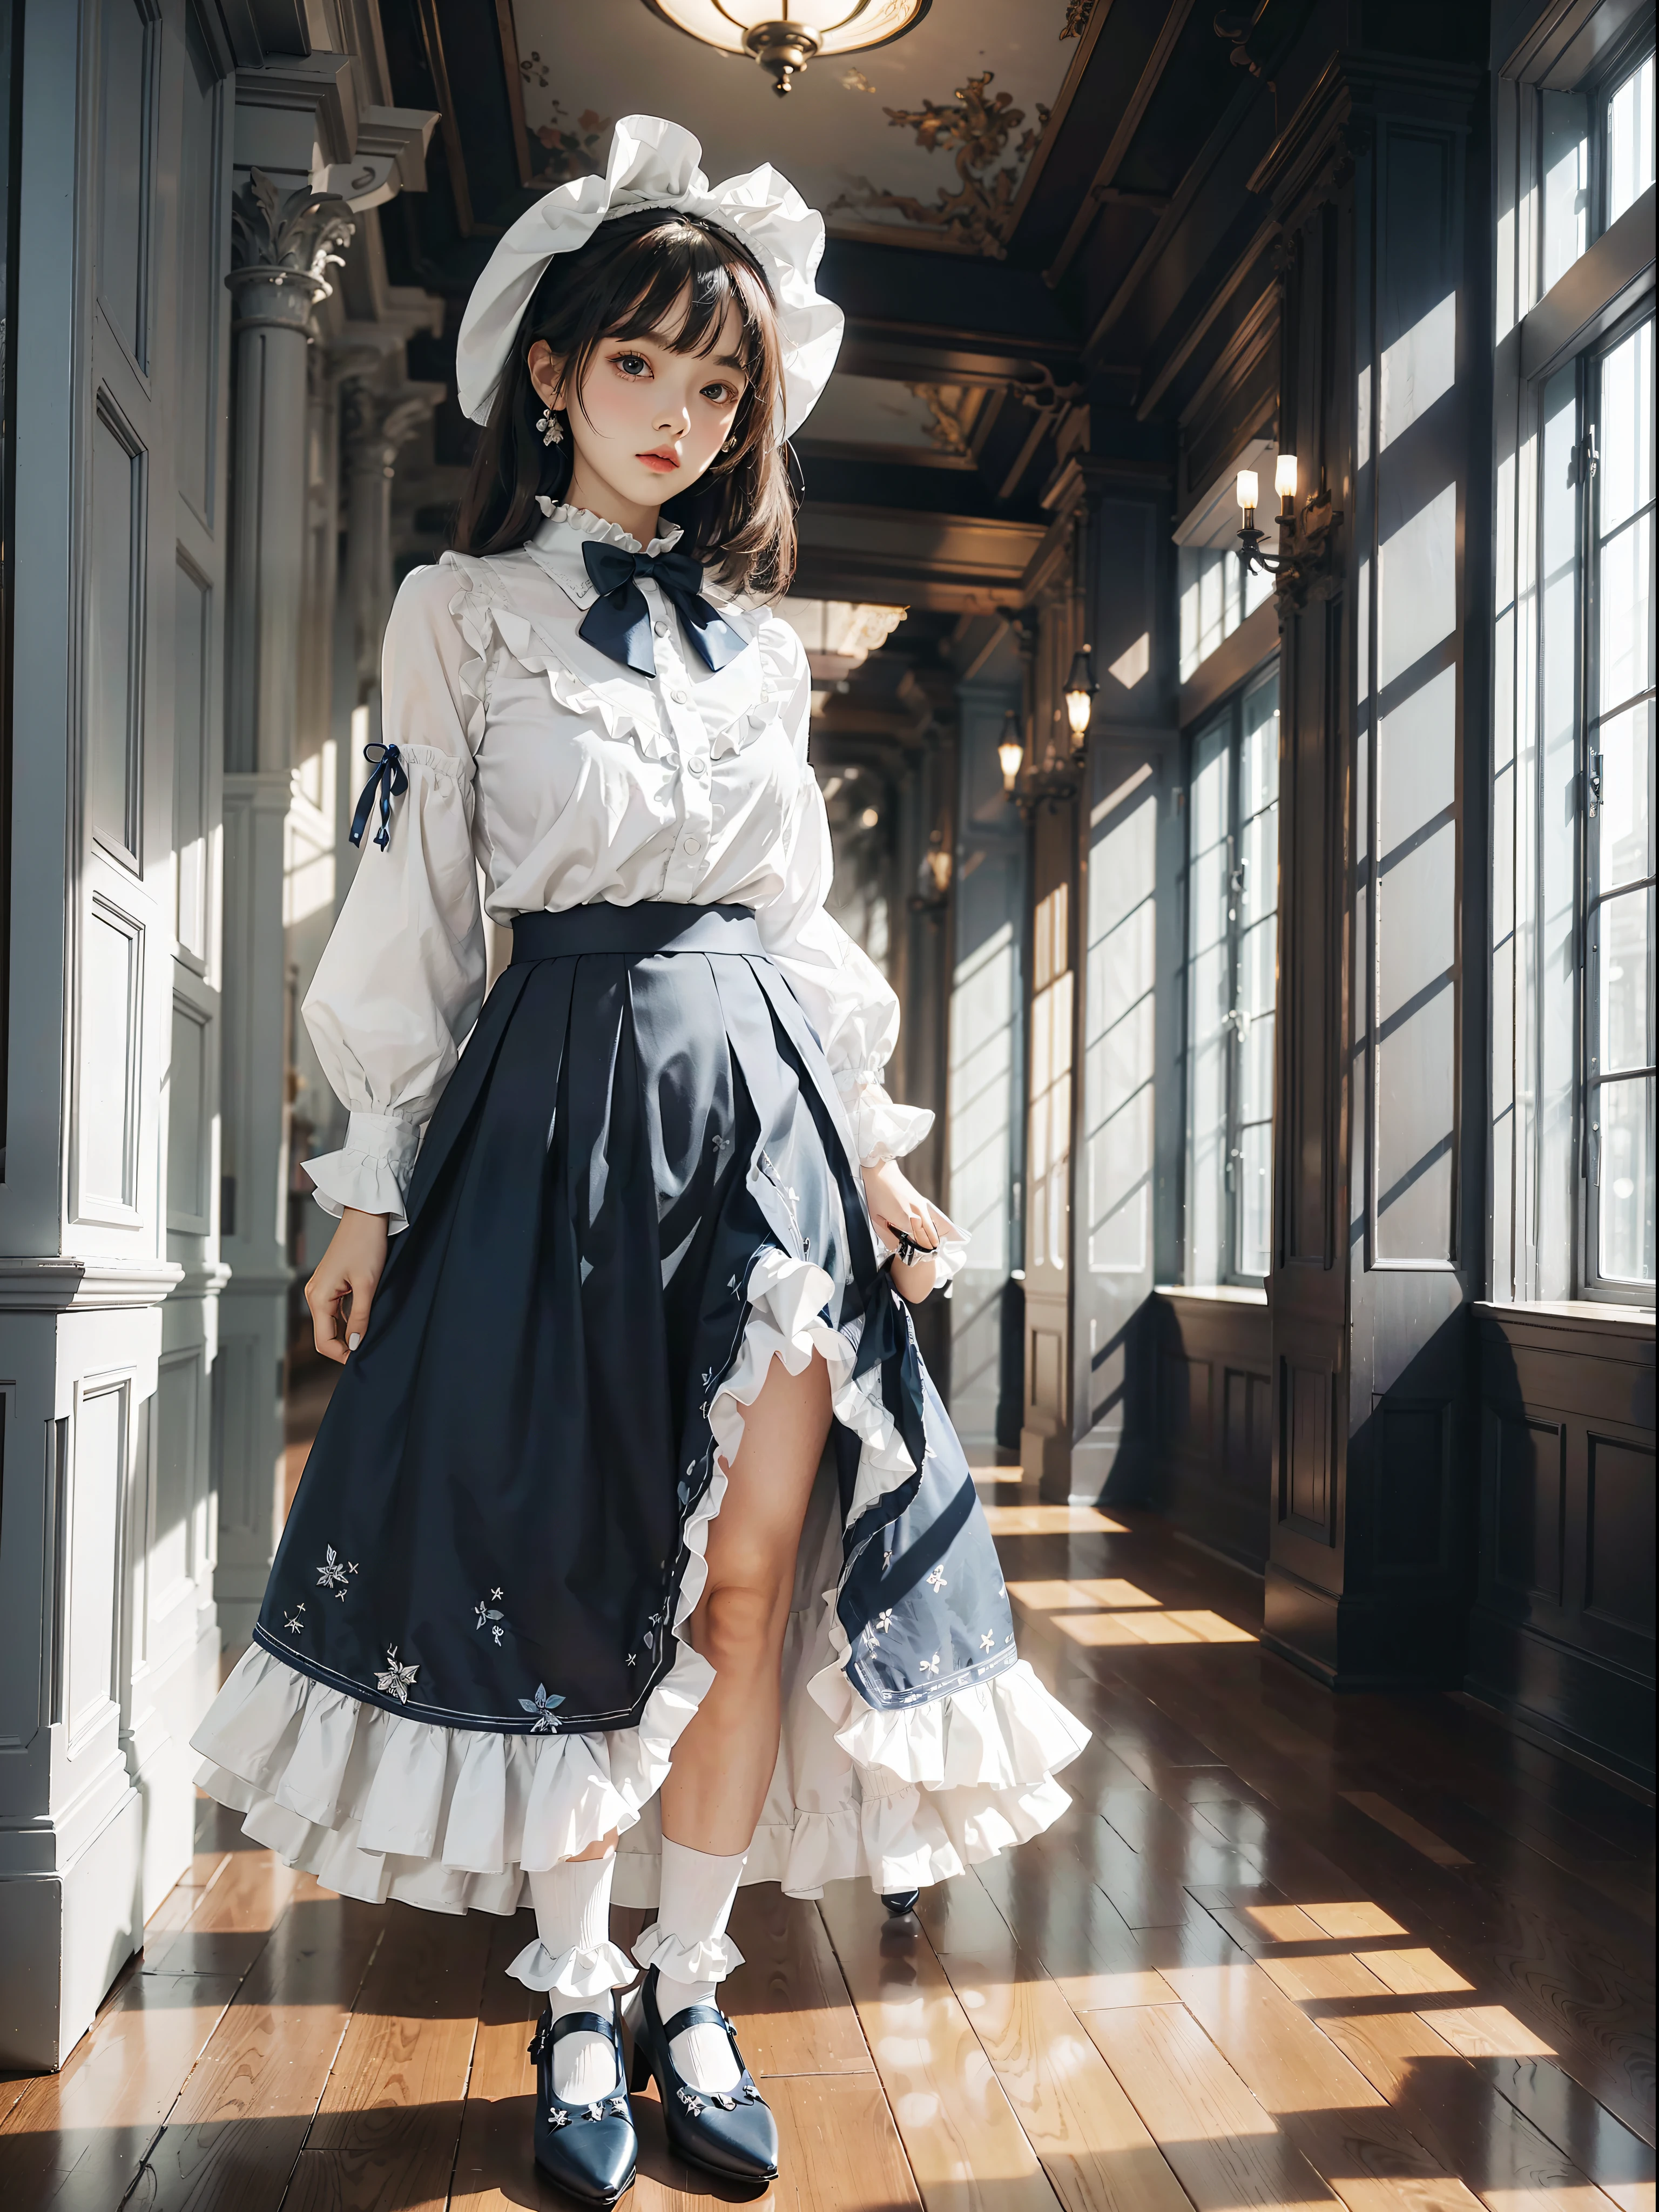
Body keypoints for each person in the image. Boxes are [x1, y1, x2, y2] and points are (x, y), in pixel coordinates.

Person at [191, 115, 1089, 2205]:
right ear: (553, 377)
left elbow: (792, 928)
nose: (679, 420)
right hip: (560, 1126)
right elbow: (409, 901)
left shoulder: (768, 656)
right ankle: (577, 1985)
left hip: (764, 1129)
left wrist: (870, 1150)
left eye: (719, 389)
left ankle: (698, 1981)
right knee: (580, 1575)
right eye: (642, 373)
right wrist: (363, 1178)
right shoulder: (463, 614)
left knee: (754, 1574)